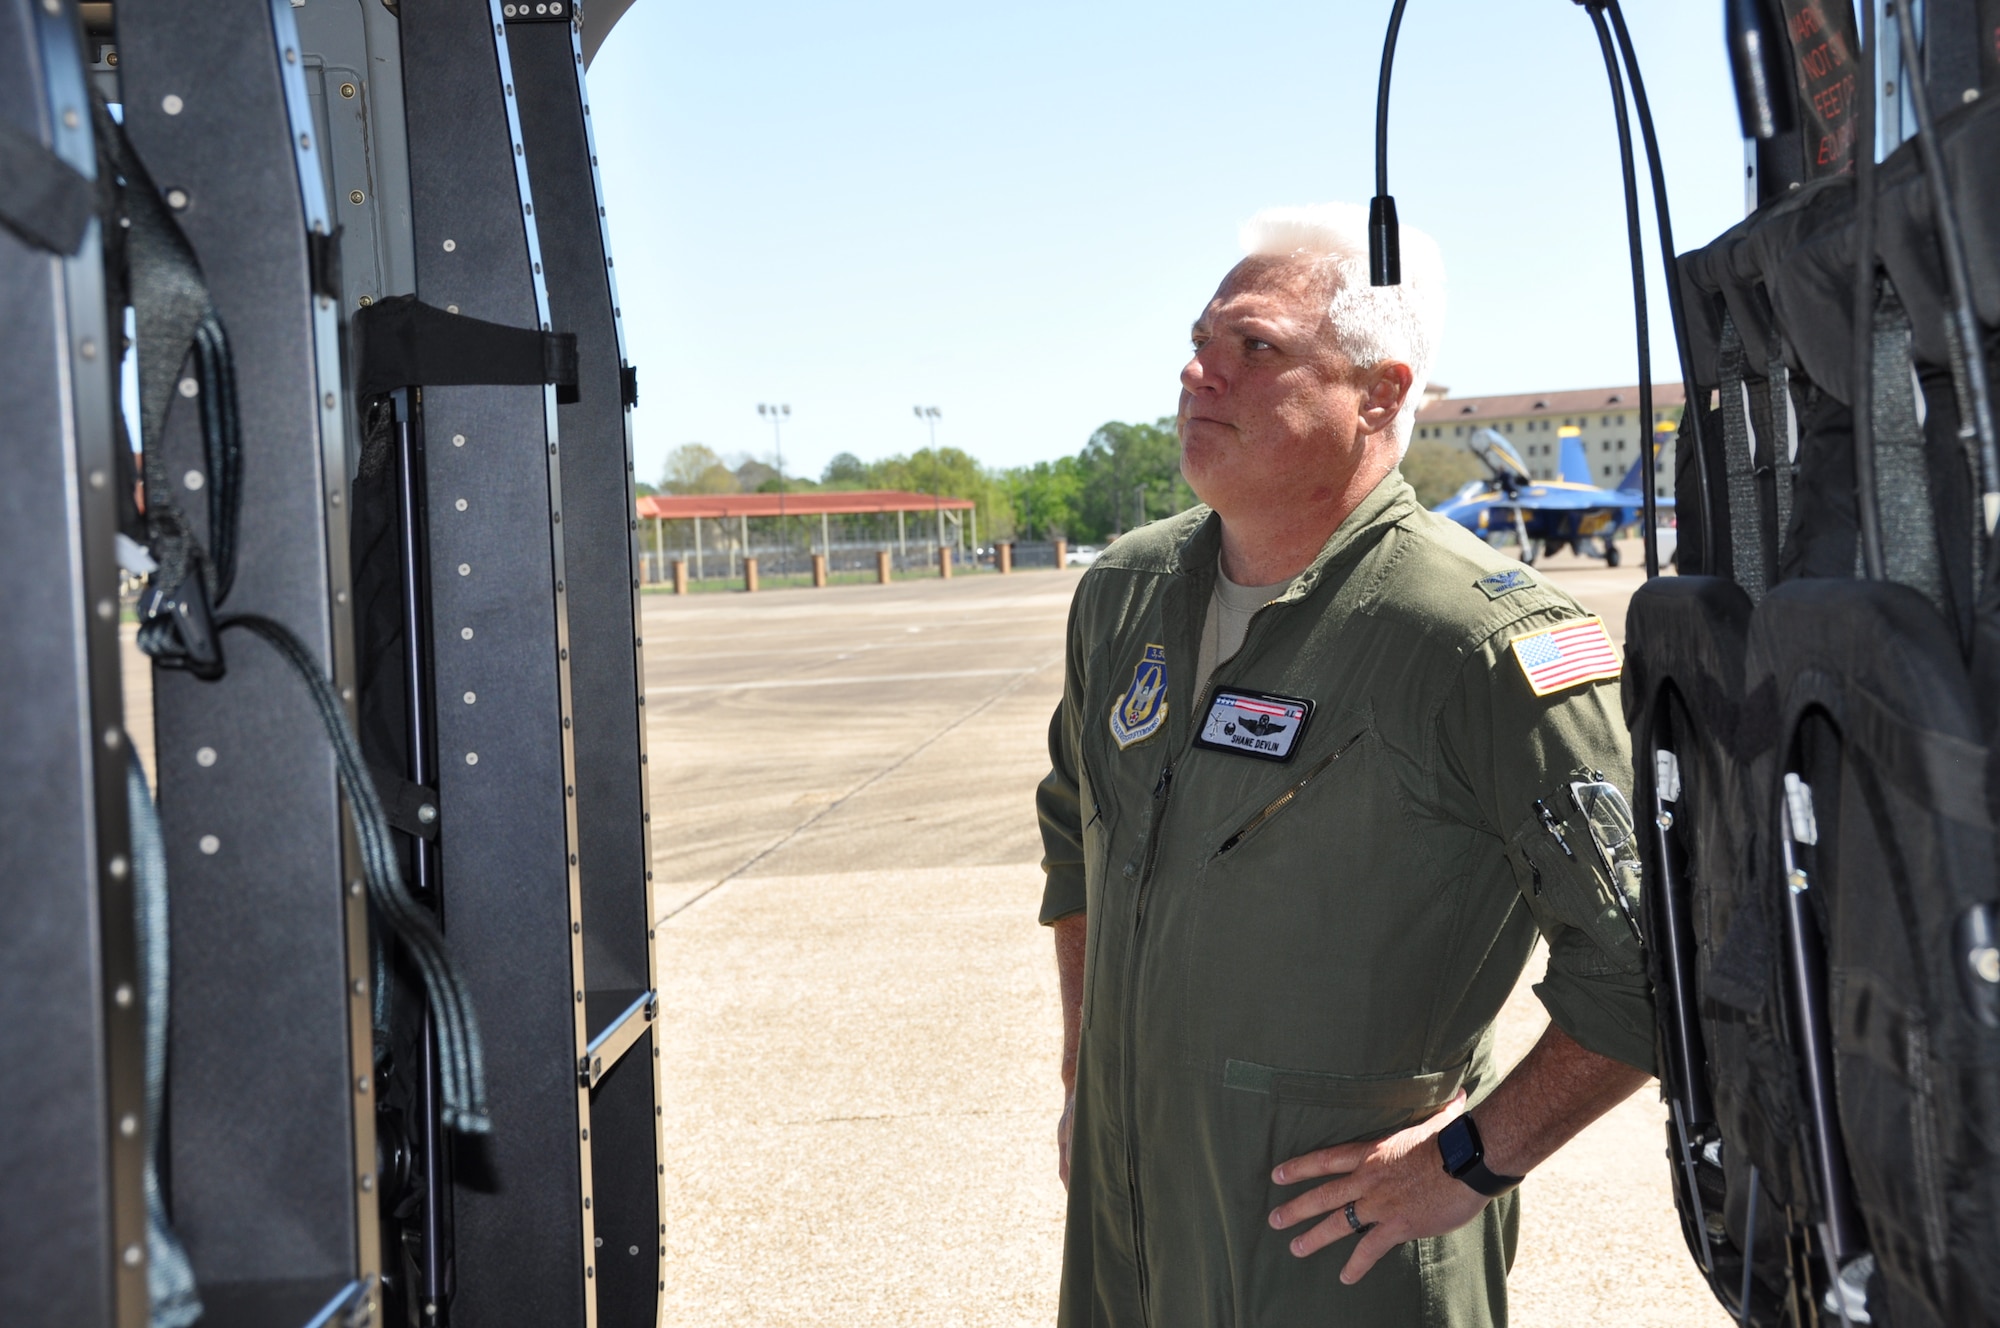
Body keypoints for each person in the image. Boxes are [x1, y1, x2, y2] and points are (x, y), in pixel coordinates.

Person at [1037, 203, 1656, 1326]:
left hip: (1335, 1260)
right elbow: (1072, 830)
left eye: (1253, 348)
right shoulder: (1122, 595)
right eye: (1197, 340)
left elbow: (1645, 959)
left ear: (1377, 393)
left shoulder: (1471, 638)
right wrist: (1088, 1067)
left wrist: (1469, 1158)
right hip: (1127, 1234)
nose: (1195, 373)